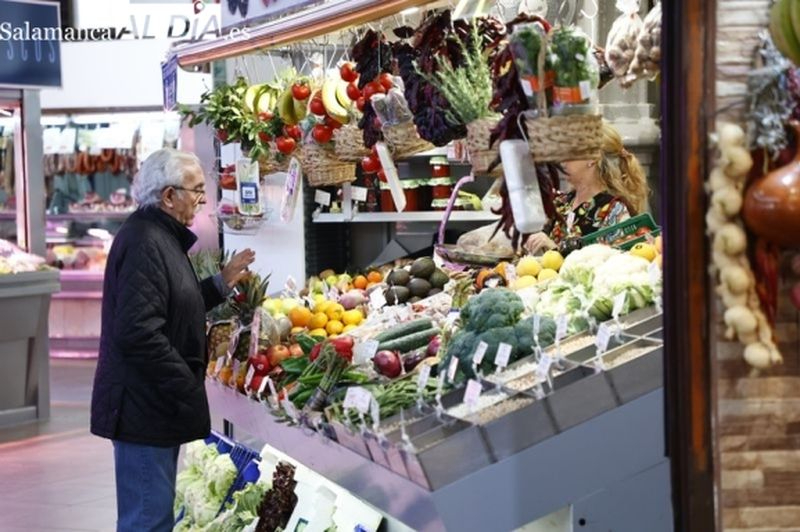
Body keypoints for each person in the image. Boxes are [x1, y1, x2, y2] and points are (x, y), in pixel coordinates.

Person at [90, 148, 255, 532]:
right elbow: (138, 332)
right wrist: (185, 381)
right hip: (143, 409)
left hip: (153, 405)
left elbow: (172, 303)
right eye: (196, 191)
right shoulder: (146, 242)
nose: (201, 200)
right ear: (168, 196)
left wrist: (220, 283)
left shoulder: (160, 236)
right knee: (148, 520)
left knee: (153, 516)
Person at [524, 122, 650, 255]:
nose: (562, 158)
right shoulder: (562, 202)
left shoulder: (614, 210)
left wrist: (554, 251)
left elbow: (610, 268)